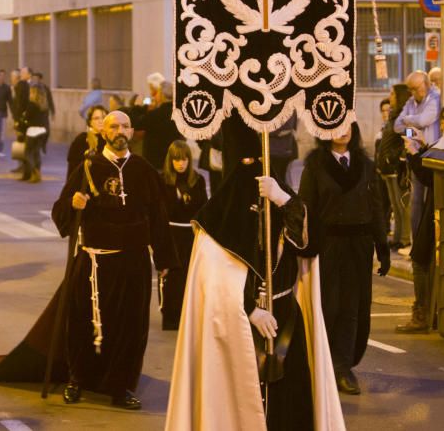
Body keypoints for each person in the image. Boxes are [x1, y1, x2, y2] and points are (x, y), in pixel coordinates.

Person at [165, 117, 344, 431]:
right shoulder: (217, 216)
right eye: (247, 162)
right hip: (239, 326)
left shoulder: (282, 198)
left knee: (289, 406)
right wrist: (249, 309)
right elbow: (214, 280)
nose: (254, 168)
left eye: (259, 162)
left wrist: (283, 199)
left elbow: (311, 243)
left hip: (285, 317)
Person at [52, 110, 177, 410]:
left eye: (125, 126)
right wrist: (73, 204)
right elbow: (60, 213)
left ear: (132, 132)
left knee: (130, 326)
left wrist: (165, 260)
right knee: (84, 321)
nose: (119, 131)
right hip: (95, 260)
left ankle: (121, 386)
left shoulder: (144, 170)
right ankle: (77, 378)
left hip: (133, 262)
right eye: (113, 126)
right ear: (104, 132)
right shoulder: (87, 167)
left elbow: (159, 217)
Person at [298, 123, 389, 395]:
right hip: (328, 246)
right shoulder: (316, 166)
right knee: (329, 305)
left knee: (352, 308)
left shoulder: (366, 166)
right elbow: (306, 208)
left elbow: (377, 208)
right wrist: (303, 247)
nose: (343, 130)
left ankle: (342, 367)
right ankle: (322, 363)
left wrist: (382, 246)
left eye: (349, 124)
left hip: (358, 247)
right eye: (336, 125)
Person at [397, 104, 444, 334]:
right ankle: (435, 314)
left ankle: (422, 314)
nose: (443, 124)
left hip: (435, 213)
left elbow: (429, 176)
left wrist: (413, 153)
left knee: (420, 260)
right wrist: (424, 145)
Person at [159, 140, 207, 332]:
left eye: (184, 159)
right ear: (170, 161)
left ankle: (189, 316)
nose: (181, 164)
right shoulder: (163, 181)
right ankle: (171, 317)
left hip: (191, 233)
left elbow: (203, 207)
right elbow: (160, 210)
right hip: (171, 233)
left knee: (190, 277)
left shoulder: (197, 180)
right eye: (177, 160)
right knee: (171, 277)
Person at [394, 71, 440, 254]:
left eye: (416, 89)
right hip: (416, 156)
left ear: (426, 85)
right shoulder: (411, 103)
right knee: (416, 203)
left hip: (431, 154)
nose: (414, 93)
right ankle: (416, 244)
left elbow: (424, 120)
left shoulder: (435, 98)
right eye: (411, 90)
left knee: (429, 202)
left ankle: (427, 245)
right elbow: (398, 127)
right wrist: (412, 129)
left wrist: (408, 121)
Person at [377, 83, 412, 249]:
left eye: (392, 94)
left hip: (396, 166)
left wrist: (399, 155)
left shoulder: (404, 116)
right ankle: (397, 237)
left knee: (401, 204)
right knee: (394, 205)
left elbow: (410, 134)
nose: (390, 97)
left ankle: (405, 238)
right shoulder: (393, 115)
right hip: (387, 167)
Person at [141, 79, 178, 170]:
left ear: (162, 95)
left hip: (155, 161)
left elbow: (138, 123)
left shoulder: (155, 114)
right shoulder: (178, 114)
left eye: (157, 92)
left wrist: (139, 107)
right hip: (173, 159)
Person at [18, 85, 50, 183]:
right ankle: (38, 173)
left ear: (34, 93)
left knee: (27, 153)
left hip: (32, 131)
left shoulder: (32, 104)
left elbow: (27, 117)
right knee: (36, 153)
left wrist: (21, 123)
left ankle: (35, 172)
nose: (30, 94)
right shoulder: (44, 105)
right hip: (42, 131)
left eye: (31, 92)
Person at [66, 105, 106, 180]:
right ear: (90, 121)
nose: (101, 121)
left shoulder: (110, 140)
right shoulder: (82, 139)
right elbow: (72, 168)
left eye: (103, 118)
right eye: (96, 118)